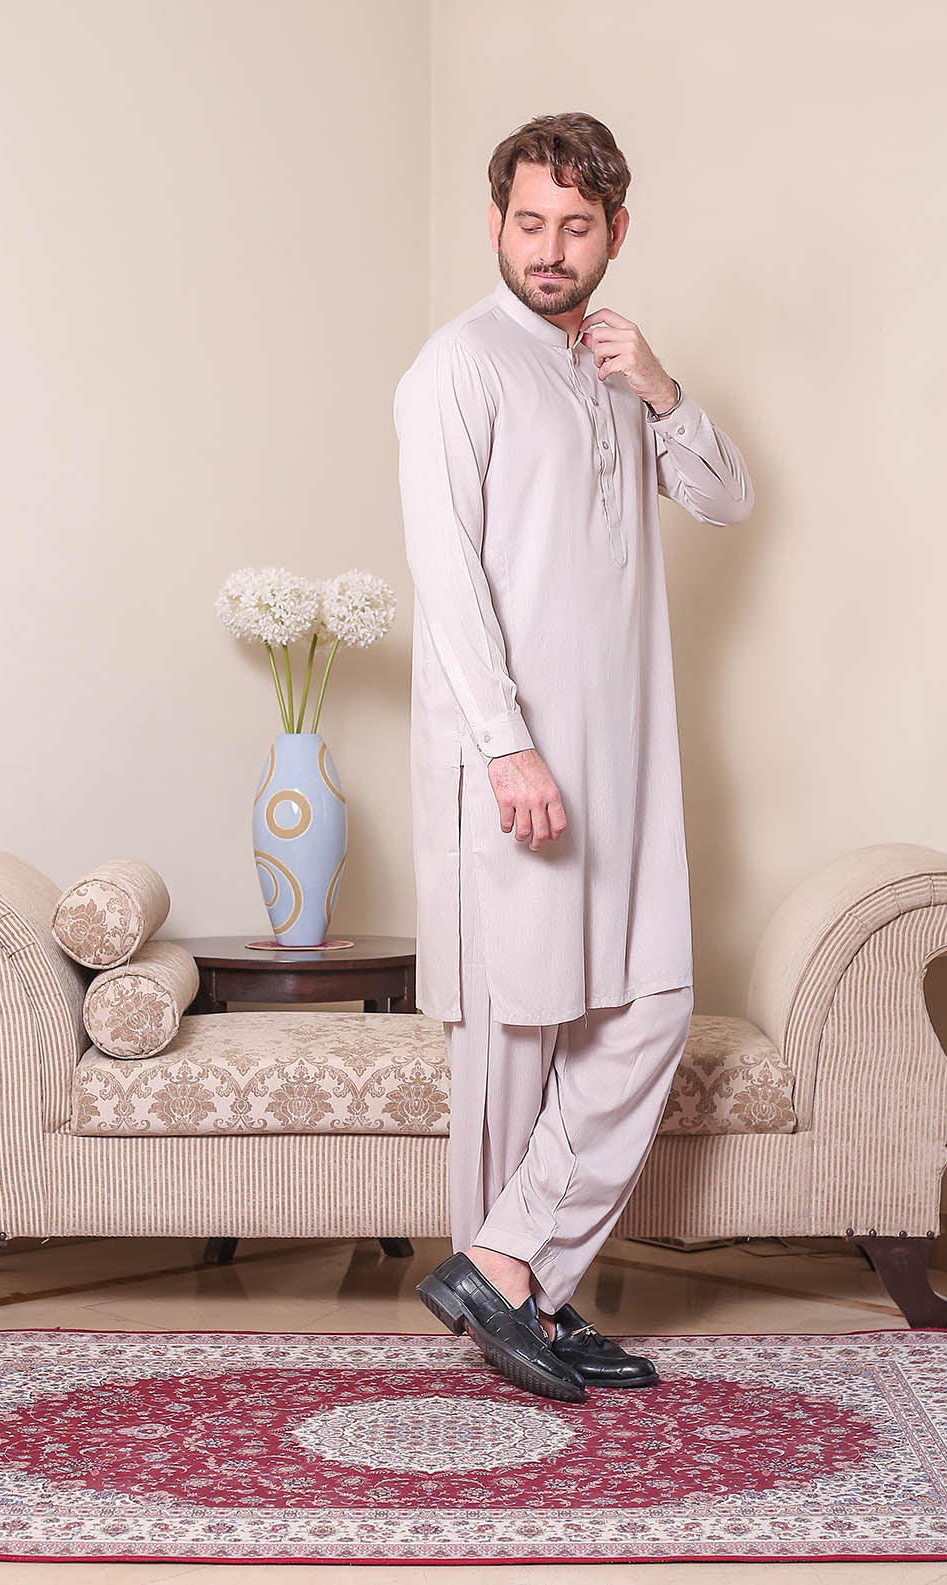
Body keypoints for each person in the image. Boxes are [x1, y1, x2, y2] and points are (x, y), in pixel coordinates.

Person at [393, 112, 753, 1402]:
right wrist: (508, 749)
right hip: (516, 765)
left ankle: (512, 1276)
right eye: (530, 223)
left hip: (629, 766)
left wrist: (660, 386)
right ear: (495, 222)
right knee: (517, 1042)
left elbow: (724, 498)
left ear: (615, 233)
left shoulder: (613, 367)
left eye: (577, 227)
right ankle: (525, 1303)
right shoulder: (457, 367)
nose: (550, 250)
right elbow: (448, 579)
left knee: (648, 1006)